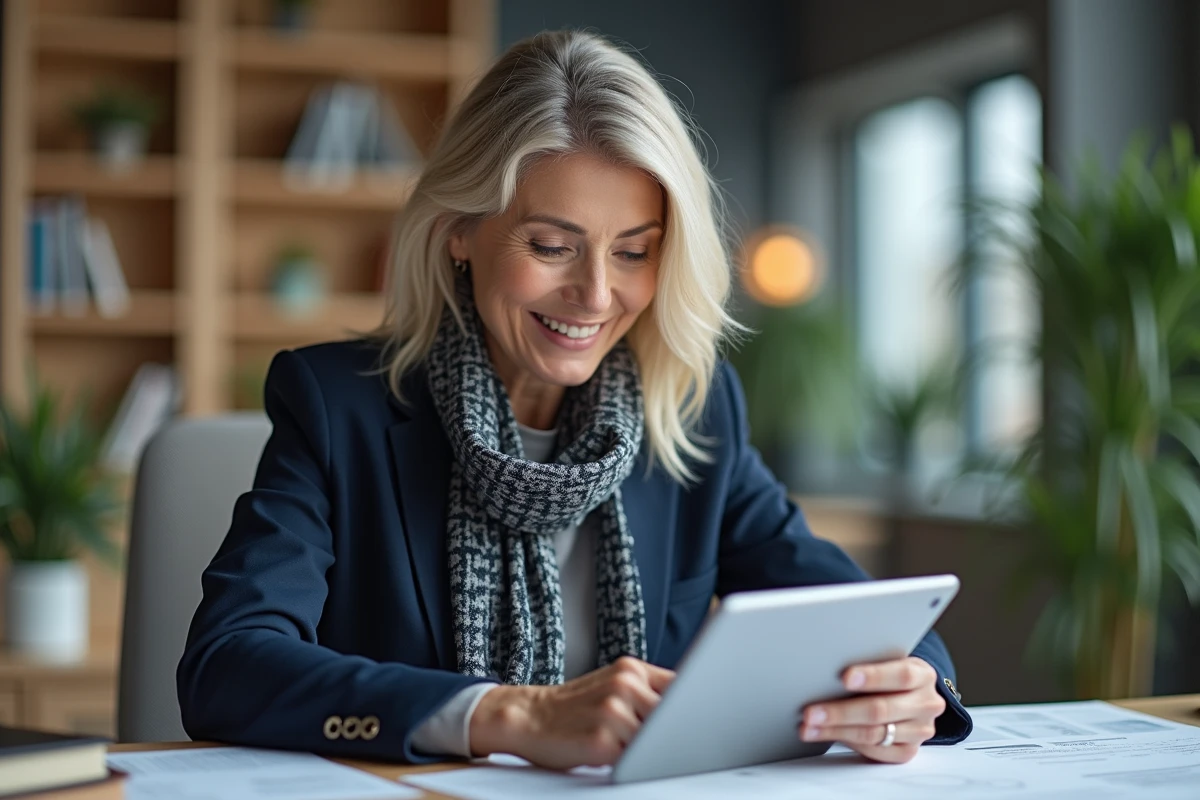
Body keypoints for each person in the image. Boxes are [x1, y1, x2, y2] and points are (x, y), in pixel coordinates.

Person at [177, 29, 971, 769]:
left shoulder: (692, 410)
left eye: (634, 252)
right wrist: (510, 715)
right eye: (552, 246)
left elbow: (856, 608)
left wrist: (913, 682)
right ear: (460, 228)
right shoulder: (335, 407)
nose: (595, 294)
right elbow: (227, 665)